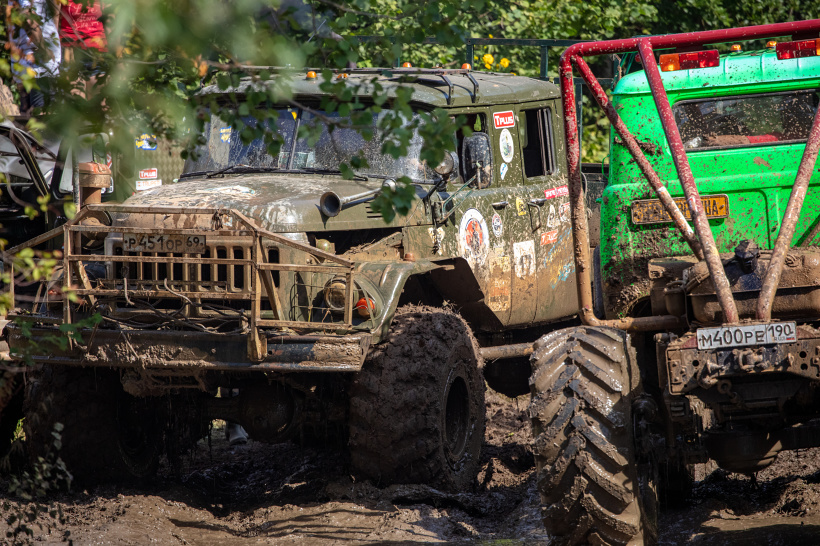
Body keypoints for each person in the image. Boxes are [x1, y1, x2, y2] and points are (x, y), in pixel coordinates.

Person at [10, 0, 61, 114]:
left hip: (35, 61)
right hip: (36, 62)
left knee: (33, 115)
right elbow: (27, 15)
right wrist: (44, 48)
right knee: (40, 115)